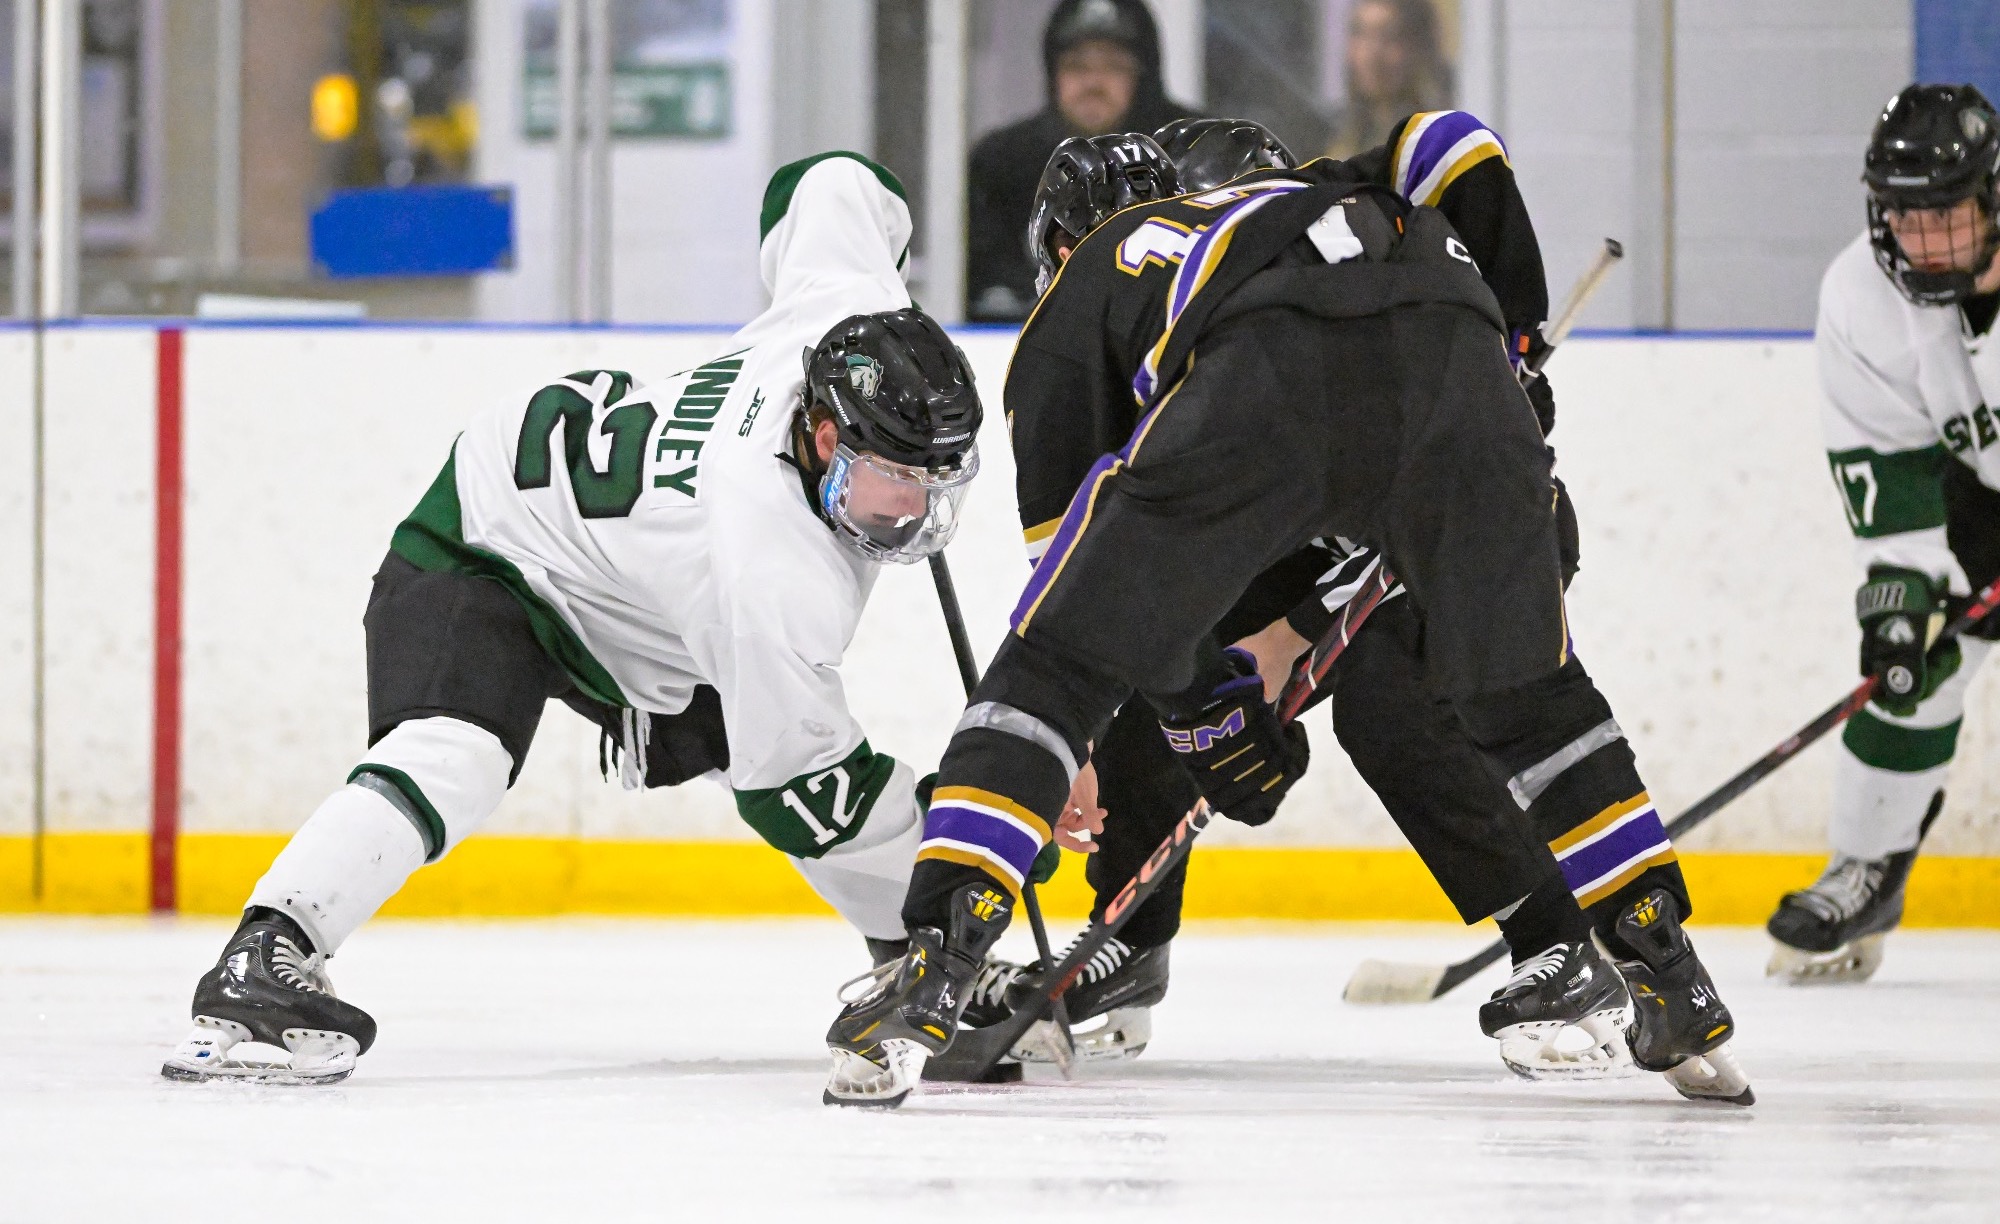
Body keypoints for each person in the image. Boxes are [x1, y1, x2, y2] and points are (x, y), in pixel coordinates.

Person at [822, 114, 1756, 1111]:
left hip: (1267, 375)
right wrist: (1510, 339)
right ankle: (1669, 971)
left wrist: (1195, 709)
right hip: (1456, 351)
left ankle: (935, 963)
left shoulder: (1078, 301)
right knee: (1537, 705)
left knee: (1055, 671)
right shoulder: (1304, 190)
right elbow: (1450, 142)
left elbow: (1088, 622)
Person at [161, 152, 985, 1084]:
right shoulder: (769, 571)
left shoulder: (846, 316)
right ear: (825, 436)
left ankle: (903, 961)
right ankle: (265, 956)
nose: (915, 512)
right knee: (456, 753)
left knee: (747, 726)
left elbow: (826, 181)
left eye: (937, 480)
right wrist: (966, 864)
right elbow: (799, 789)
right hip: (489, 537)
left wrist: (892, 273)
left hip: (630, 580)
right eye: (893, 480)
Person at [970, 117, 1625, 1083]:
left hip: (1457, 553)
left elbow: (1413, 488)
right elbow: (1105, 593)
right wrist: (1078, 738)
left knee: (1391, 707)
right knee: (1164, 659)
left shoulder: (1290, 288)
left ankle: (1559, 941)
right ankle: (1130, 940)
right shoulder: (1144, 334)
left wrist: (1293, 633)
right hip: (1298, 537)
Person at [1766, 83, 2000, 983]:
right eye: (1906, 216)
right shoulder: (1860, 298)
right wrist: (1900, 603)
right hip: (1972, 491)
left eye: (1947, 215)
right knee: (1913, 666)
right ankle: (1867, 866)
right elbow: (1892, 478)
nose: (1925, 241)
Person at [964, 0, 1198, 322]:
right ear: (1053, 72)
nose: (1093, 84)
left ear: (1143, 76)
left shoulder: (1186, 154)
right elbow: (985, 289)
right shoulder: (1000, 163)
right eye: (1077, 66)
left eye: (1114, 66)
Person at [1322, 0, 1453, 161]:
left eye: (1389, 36)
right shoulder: (1333, 136)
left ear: (1419, 48)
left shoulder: (1438, 140)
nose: (1372, 54)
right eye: (1361, 34)